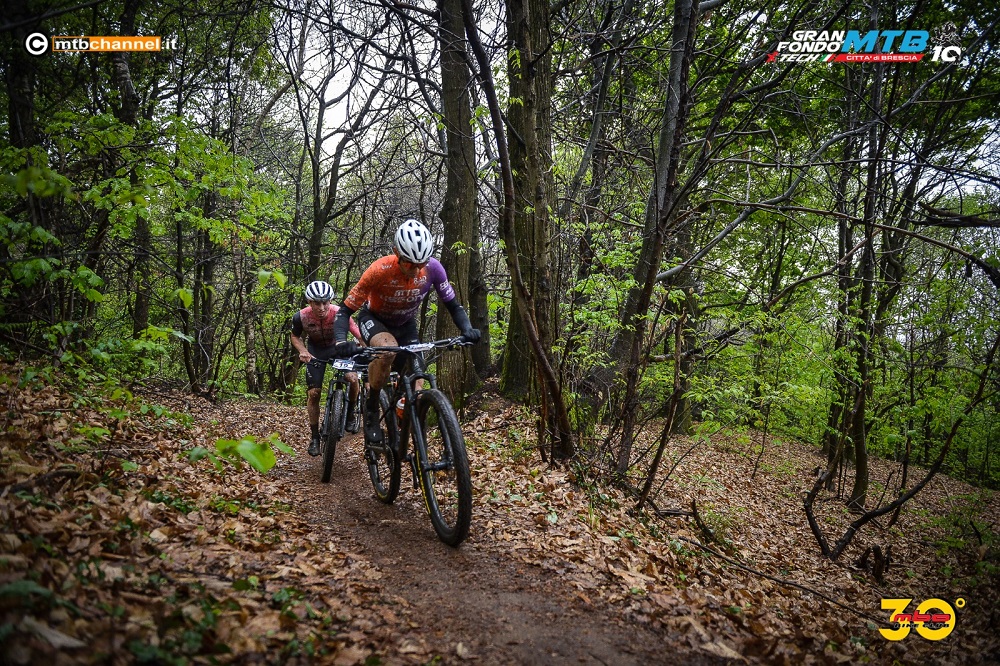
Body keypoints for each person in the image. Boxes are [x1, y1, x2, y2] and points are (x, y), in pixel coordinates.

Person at [332, 219, 480, 444]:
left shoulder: (433, 269)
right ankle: (372, 407)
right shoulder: (379, 269)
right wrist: (341, 342)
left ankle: (408, 434)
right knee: (388, 351)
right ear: (396, 253)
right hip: (375, 320)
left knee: (417, 379)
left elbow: (453, 305)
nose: (416, 270)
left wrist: (467, 329)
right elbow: (344, 312)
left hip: (406, 324)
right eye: (410, 264)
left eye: (421, 263)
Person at [291, 280, 364, 457]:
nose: (322, 307)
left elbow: (357, 333)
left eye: (325, 302)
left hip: (338, 349)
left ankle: (350, 413)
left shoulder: (340, 313)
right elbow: (295, 336)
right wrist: (302, 351)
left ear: (330, 300)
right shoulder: (301, 317)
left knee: (352, 378)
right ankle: (315, 437)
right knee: (314, 393)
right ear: (309, 302)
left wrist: (365, 347)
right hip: (315, 351)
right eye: (317, 303)